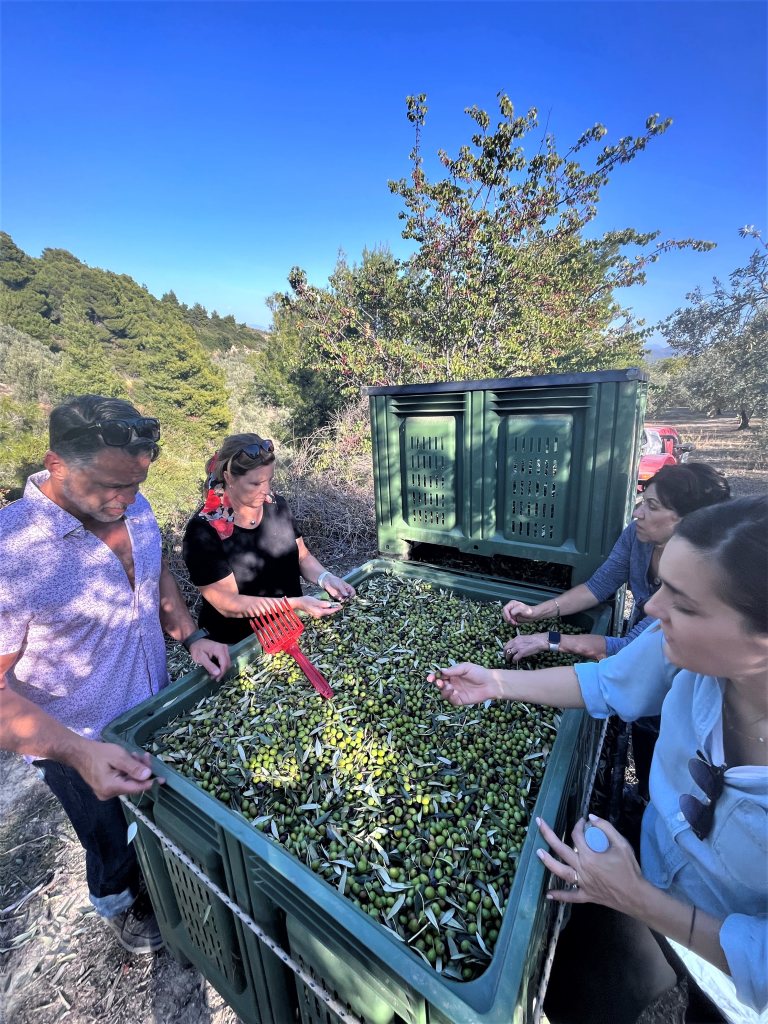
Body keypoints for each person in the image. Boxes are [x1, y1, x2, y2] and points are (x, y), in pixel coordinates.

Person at [429, 496, 768, 1021]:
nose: (651, 609)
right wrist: (494, 683)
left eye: (684, 603)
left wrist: (635, 899)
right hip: (650, 868)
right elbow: (609, 681)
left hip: (730, 973)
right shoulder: (681, 650)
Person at [0, 396, 231, 955]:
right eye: (111, 486)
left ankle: (156, 882)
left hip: (151, 711)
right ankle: (119, 904)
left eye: (137, 482)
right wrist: (79, 755)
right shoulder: (12, 550)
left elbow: (154, 574)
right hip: (78, 742)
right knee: (107, 839)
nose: (127, 499)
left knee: (155, 821)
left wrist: (191, 636)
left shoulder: (134, 504)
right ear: (57, 465)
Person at [502, 462, 731, 663]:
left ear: (689, 521)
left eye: (652, 506)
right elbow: (598, 587)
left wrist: (548, 640)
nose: (636, 513)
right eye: (643, 501)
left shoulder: (697, 580)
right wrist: (535, 612)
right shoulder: (638, 536)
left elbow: (629, 649)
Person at [182, 433, 355, 646]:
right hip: (239, 647)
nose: (265, 491)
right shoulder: (204, 531)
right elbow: (228, 603)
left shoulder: (276, 505)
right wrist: (295, 604)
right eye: (255, 483)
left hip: (288, 631)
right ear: (229, 478)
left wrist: (326, 578)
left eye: (269, 480)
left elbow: (302, 557)